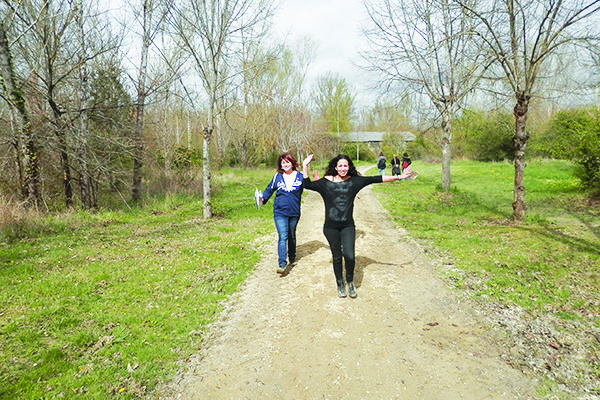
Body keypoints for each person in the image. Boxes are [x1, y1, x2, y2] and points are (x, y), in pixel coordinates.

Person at [302, 154, 415, 298]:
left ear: (349, 167)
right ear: (335, 167)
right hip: (330, 227)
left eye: (345, 166)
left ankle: (349, 281)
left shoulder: (355, 181)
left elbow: (376, 178)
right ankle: (340, 284)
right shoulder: (325, 182)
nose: (343, 168)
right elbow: (307, 184)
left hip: (347, 225)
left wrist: (399, 177)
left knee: (349, 256)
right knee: (337, 256)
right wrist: (305, 165)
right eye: (340, 166)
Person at [260, 153, 304, 275]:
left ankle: (292, 257)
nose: (285, 164)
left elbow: (311, 186)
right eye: (282, 162)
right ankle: (282, 264)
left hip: (294, 212)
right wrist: (262, 199)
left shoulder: (300, 176)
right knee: (283, 236)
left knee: (291, 235)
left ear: (292, 163)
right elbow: (269, 189)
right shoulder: (277, 177)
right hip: (280, 212)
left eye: (287, 162)